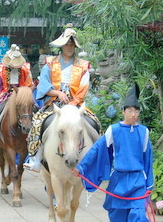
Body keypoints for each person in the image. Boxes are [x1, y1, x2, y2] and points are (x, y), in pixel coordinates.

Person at [71, 83, 154, 222]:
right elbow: (97, 149)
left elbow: (148, 160)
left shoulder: (144, 131)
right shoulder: (113, 130)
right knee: (117, 217)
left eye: (136, 111)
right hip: (119, 180)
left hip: (138, 180)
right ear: (123, 111)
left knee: (139, 217)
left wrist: (149, 184)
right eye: (130, 111)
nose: (133, 114)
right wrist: (81, 167)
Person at [24, 23, 93, 172]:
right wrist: (58, 93)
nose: (70, 47)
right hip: (54, 103)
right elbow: (43, 84)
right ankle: (35, 157)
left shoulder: (83, 65)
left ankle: (96, 159)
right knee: (37, 122)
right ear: (61, 46)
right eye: (67, 44)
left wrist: (73, 102)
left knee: (95, 124)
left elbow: (84, 86)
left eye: (72, 45)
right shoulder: (50, 63)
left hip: (75, 103)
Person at [0, 44, 33, 140]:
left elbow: (29, 83)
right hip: (5, 94)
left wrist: (26, 92)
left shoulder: (24, 69)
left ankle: (35, 131)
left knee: (33, 108)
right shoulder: (1, 70)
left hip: (21, 94)